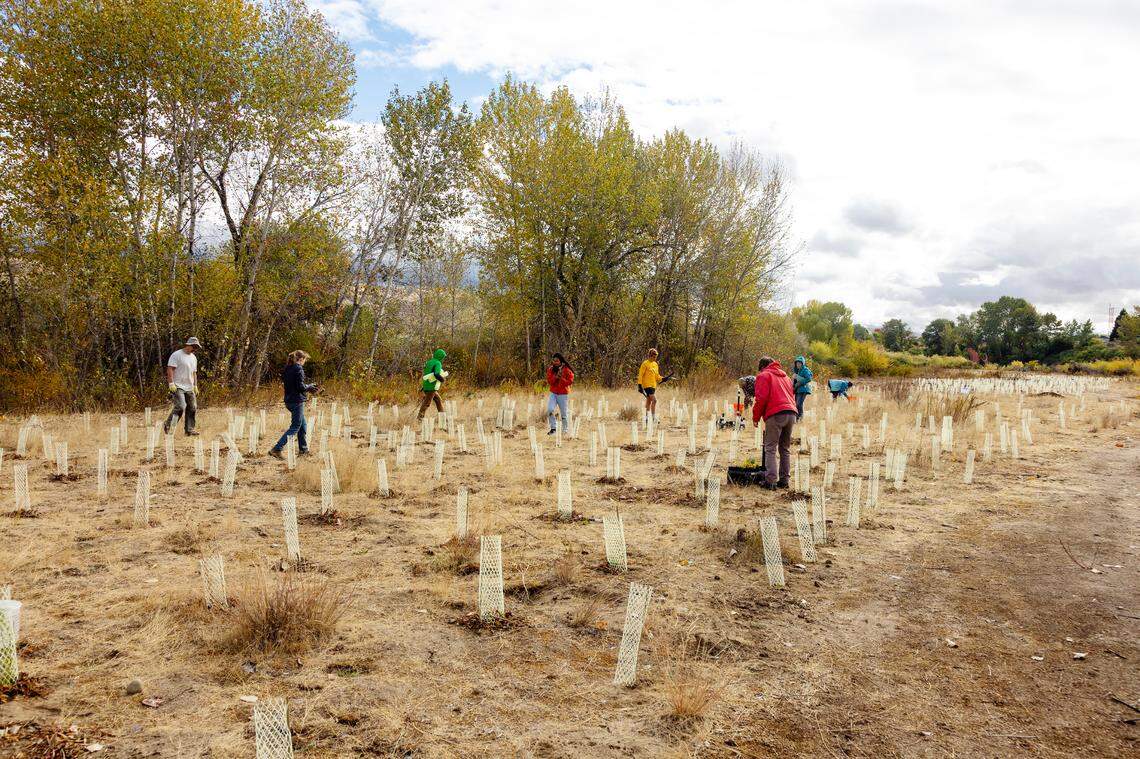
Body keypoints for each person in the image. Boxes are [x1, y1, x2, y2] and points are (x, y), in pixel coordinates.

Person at [752, 356, 798, 489]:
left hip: (776, 414)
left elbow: (761, 399)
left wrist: (756, 418)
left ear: (762, 367)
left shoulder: (764, 375)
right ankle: (784, 481)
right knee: (784, 448)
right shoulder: (786, 377)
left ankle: (770, 481)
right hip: (791, 413)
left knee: (770, 448)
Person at [269, 350, 317, 458]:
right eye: (305, 360)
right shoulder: (298, 369)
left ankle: (303, 451)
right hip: (297, 401)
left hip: (289, 401)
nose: (305, 362)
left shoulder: (287, 368)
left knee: (303, 425)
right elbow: (300, 387)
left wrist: (308, 386)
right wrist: (309, 387)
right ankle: (277, 449)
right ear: (301, 359)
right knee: (295, 426)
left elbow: (294, 385)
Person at [163, 337, 201, 436]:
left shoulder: (193, 358)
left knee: (192, 407)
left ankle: (189, 430)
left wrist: (195, 386)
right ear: (188, 345)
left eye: (196, 348)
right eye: (194, 347)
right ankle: (168, 425)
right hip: (178, 386)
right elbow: (170, 369)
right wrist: (171, 383)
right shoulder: (176, 355)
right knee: (180, 406)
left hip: (189, 386)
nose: (195, 349)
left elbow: (194, 373)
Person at [636, 348, 673, 425]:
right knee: (654, 400)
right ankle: (653, 418)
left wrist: (664, 378)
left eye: (656, 357)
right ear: (650, 355)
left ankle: (646, 418)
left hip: (653, 385)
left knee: (649, 401)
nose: (655, 358)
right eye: (654, 356)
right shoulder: (645, 364)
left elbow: (657, 376)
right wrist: (639, 385)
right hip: (647, 385)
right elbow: (640, 375)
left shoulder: (655, 364)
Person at [545, 353, 574, 434]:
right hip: (553, 393)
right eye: (554, 361)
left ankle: (565, 430)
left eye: (557, 361)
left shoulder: (567, 369)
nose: (555, 362)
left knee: (564, 414)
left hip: (563, 394)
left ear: (561, 361)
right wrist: (556, 377)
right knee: (550, 409)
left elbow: (570, 381)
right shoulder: (551, 369)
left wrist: (562, 378)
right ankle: (553, 428)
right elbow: (550, 381)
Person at [417, 348, 449, 420]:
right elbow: (436, 374)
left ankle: (442, 417)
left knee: (438, 400)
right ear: (440, 356)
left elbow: (426, 374)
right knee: (427, 403)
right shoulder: (438, 363)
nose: (443, 359)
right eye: (443, 357)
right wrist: (442, 380)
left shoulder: (429, 362)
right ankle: (419, 418)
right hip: (432, 387)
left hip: (426, 385)